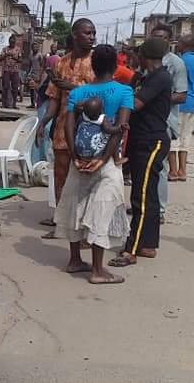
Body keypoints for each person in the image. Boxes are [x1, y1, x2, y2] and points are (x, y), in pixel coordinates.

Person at [55, 44, 133, 284]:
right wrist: (102, 159)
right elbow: (118, 130)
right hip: (107, 160)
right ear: (115, 67)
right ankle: (98, 270)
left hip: (80, 158)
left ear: (94, 66)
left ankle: (74, 259)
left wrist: (75, 154)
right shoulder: (124, 92)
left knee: (74, 204)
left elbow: (68, 124)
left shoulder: (78, 93)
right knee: (103, 207)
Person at [109, 37, 173, 268]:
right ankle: (147, 244)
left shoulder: (159, 78)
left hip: (151, 141)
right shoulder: (145, 77)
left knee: (142, 196)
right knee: (149, 194)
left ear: (145, 56)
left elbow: (135, 104)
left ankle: (132, 249)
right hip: (140, 140)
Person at [38, 19, 98, 234]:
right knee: (61, 174)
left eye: (93, 33)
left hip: (89, 129)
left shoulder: (97, 63)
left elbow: (101, 95)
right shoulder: (61, 63)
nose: (91, 37)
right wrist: (43, 122)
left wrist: (72, 87)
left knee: (84, 177)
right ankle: (61, 222)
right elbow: (54, 97)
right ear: (75, 35)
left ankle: (82, 225)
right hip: (63, 126)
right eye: (87, 33)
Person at [154, 25, 187, 218]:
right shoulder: (147, 60)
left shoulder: (176, 64)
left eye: (163, 37)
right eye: (156, 37)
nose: (159, 40)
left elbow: (181, 95)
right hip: (146, 120)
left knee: (160, 166)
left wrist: (156, 97)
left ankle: (159, 209)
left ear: (170, 40)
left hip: (165, 120)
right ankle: (145, 204)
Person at [169, 35, 194, 182]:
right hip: (193, 102)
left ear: (184, 45)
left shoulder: (181, 61)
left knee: (173, 137)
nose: (177, 45)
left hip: (180, 102)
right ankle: (183, 171)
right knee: (185, 138)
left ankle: (173, 170)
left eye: (179, 43)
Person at [0, 36, 22, 109]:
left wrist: (13, 57)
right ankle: (4, 103)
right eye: (11, 42)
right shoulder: (5, 49)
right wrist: (6, 55)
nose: (12, 43)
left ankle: (14, 104)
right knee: (5, 87)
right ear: (9, 42)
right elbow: (0, 59)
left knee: (15, 88)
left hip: (15, 71)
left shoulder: (18, 49)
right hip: (7, 70)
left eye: (13, 42)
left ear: (15, 42)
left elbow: (20, 60)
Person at [26, 42, 46, 109]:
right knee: (32, 89)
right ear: (32, 48)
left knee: (38, 89)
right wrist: (27, 73)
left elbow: (42, 66)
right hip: (32, 74)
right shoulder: (31, 55)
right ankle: (32, 103)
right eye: (34, 47)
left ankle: (38, 103)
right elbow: (29, 65)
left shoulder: (40, 55)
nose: (35, 48)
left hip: (38, 74)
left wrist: (41, 75)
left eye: (36, 47)